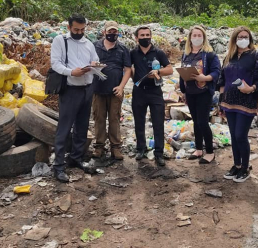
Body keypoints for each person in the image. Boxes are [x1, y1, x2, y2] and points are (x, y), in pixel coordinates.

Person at [50, 14, 99, 182]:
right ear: (69, 27)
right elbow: (55, 64)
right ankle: (58, 166)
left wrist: (94, 66)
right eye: (76, 29)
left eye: (83, 29)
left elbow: (96, 60)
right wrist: (72, 72)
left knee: (82, 126)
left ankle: (76, 158)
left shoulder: (89, 43)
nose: (79, 32)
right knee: (64, 127)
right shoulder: (60, 41)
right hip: (70, 89)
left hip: (87, 89)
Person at [217, 26, 258, 182]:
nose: (243, 39)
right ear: (234, 39)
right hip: (229, 102)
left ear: (250, 39)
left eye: (246, 36)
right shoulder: (229, 57)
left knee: (240, 135)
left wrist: (251, 89)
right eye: (240, 37)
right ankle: (236, 165)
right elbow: (222, 80)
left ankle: (245, 167)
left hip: (246, 100)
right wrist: (221, 101)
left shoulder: (256, 56)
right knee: (233, 136)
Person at [130, 26, 173, 167]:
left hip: (155, 91)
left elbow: (170, 69)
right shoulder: (132, 53)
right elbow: (127, 68)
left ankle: (159, 153)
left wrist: (158, 71)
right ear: (136, 38)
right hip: (139, 91)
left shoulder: (158, 52)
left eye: (147, 35)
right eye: (142, 35)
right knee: (139, 121)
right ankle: (141, 149)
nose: (145, 37)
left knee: (158, 122)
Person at [179, 25, 221, 164]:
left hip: (204, 92)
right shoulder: (186, 54)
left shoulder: (209, 54)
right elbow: (182, 73)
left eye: (199, 35)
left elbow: (216, 72)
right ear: (190, 38)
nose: (196, 38)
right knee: (195, 121)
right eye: (194, 35)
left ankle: (209, 152)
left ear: (204, 38)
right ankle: (198, 149)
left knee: (203, 122)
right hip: (190, 92)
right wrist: (183, 91)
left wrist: (205, 78)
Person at [92, 21, 132, 160]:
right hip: (98, 89)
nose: (112, 34)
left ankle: (116, 147)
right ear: (104, 32)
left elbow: (127, 69)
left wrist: (121, 87)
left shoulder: (122, 48)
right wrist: (93, 65)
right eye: (110, 32)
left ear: (118, 33)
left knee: (114, 118)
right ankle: (99, 147)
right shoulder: (95, 46)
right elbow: (87, 63)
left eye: (115, 32)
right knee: (99, 118)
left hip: (116, 90)